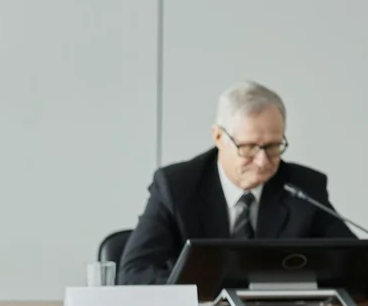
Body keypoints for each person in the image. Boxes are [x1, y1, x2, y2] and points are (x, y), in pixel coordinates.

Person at [118, 81, 355, 284]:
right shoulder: (176, 186)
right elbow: (134, 273)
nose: (263, 161)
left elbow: (358, 265)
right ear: (219, 137)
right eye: (249, 147)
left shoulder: (303, 188)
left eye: (273, 146)